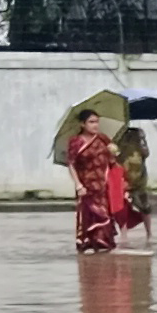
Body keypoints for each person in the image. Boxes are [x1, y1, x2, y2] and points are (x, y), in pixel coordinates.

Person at [66, 108, 132, 253]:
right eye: (91, 122)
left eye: (97, 122)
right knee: (90, 217)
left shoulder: (103, 139)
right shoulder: (76, 142)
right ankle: (89, 249)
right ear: (82, 124)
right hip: (86, 188)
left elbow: (113, 163)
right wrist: (78, 185)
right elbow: (71, 164)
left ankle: (103, 253)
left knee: (105, 218)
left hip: (103, 187)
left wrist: (122, 184)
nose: (95, 125)